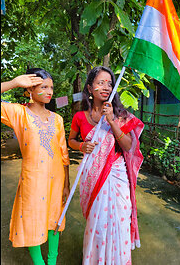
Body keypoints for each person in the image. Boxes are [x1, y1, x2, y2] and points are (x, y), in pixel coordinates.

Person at [68, 66, 144, 264]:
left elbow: (128, 146)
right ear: (90, 88)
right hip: (92, 177)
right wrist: (82, 146)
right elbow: (71, 141)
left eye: (109, 83)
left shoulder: (120, 115)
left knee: (118, 224)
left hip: (116, 177)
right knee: (98, 224)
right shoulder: (79, 116)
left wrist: (111, 120)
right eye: (100, 83)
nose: (106, 87)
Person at [1, 68, 70, 265]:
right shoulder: (18, 113)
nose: (50, 92)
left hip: (57, 179)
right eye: (44, 87)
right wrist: (14, 82)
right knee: (33, 219)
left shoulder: (57, 119)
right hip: (33, 179)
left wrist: (66, 184)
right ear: (30, 89)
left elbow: (64, 154)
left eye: (51, 87)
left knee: (55, 218)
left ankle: (52, 260)